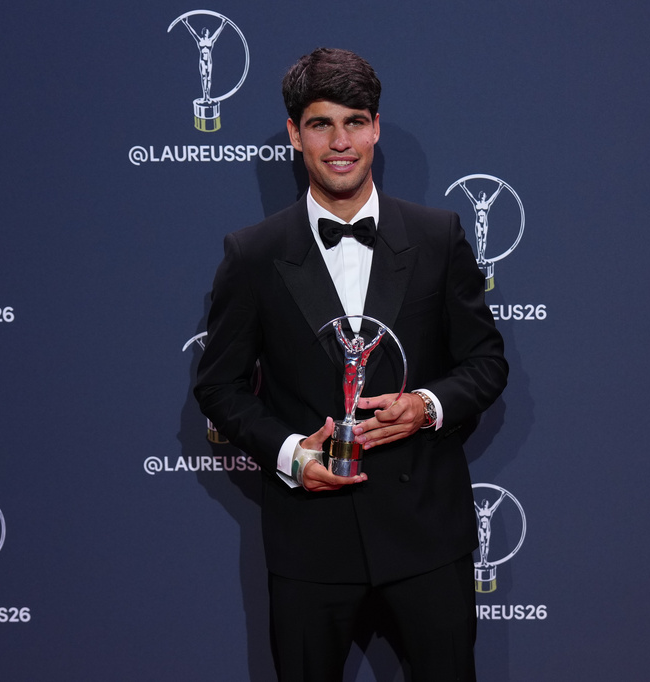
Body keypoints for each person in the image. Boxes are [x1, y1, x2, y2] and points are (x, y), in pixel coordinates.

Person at [194, 47, 508, 681]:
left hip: (426, 537)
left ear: (376, 127)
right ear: (294, 134)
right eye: (320, 123)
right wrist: (291, 455)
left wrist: (426, 407)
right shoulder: (253, 255)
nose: (341, 142)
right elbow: (220, 385)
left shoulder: (437, 235)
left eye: (355, 121)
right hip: (310, 544)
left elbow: (485, 361)